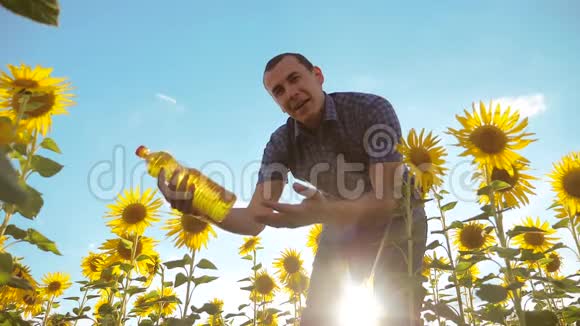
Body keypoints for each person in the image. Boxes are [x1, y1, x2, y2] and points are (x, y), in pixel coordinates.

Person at [157, 52, 427, 326]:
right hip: (339, 221)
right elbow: (253, 220)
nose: (291, 93)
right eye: (279, 91)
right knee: (319, 315)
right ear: (277, 103)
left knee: (397, 310)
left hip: (400, 218)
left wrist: (323, 213)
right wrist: (201, 207)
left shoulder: (370, 109)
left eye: (295, 79)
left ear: (318, 76)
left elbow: (386, 201)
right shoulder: (280, 144)